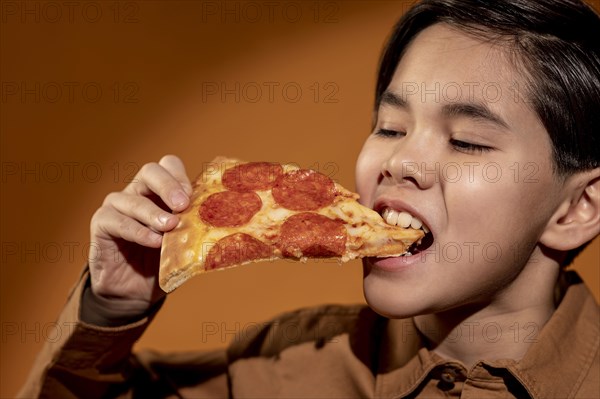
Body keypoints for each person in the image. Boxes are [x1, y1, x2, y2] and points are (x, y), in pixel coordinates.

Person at [19, 0, 600, 397]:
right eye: (391, 127)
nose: (399, 162)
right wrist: (111, 310)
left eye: (468, 141)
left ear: (577, 209)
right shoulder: (278, 365)